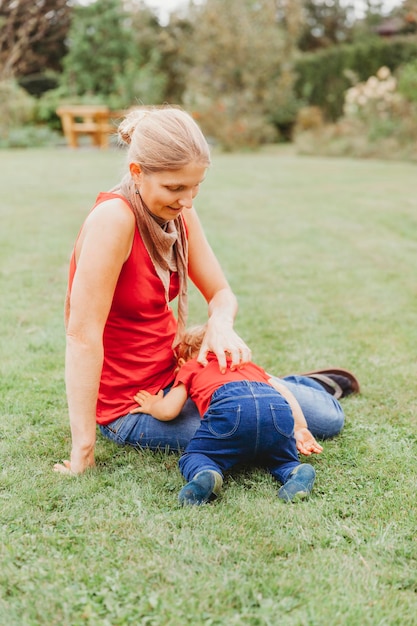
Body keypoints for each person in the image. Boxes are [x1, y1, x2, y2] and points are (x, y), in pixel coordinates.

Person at [54, 106, 358, 477]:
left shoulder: (178, 213)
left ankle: (292, 386)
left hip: (180, 374)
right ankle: (291, 386)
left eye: (195, 187)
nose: (187, 201)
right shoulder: (113, 220)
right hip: (134, 406)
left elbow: (221, 292)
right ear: (136, 173)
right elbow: (82, 336)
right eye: (175, 188)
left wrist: (221, 323)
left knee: (327, 418)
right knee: (255, 427)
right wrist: (83, 449)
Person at [134, 324, 323, 505]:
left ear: (182, 361)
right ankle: (296, 471)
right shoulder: (246, 364)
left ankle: (206, 473)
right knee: (282, 458)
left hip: (230, 407)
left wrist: (153, 405)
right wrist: (300, 428)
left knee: (195, 455)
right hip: (275, 408)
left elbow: (169, 411)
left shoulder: (192, 366)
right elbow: (284, 391)